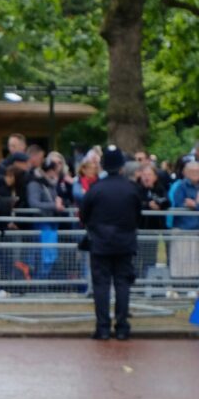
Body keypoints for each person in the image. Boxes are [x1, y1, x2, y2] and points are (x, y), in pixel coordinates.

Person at [79, 146, 141, 341]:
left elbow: (84, 215)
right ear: (122, 166)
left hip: (100, 243)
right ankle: (122, 327)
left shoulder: (96, 188)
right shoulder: (131, 188)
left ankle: (103, 328)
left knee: (101, 286)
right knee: (123, 284)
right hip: (125, 242)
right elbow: (138, 214)